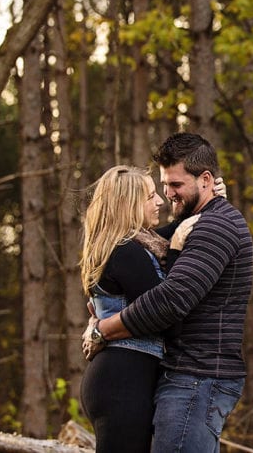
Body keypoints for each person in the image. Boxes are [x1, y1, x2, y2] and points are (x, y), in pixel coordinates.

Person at [85, 133, 253, 453]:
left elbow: (169, 301)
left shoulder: (213, 227)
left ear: (205, 180)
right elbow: (158, 277)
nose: (166, 196)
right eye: (161, 188)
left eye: (175, 185)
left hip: (197, 379)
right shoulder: (186, 228)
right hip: (178, 378)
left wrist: (103, 328)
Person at [78, 165, 198, 452]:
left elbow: (172, 230)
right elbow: (165, 316)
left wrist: (207, 199)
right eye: (150, 196)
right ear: (128, 204)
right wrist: (177, 252)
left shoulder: (133, 245)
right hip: (123, 381)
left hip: (122, 378)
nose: (160, 202)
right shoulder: (126, 252)